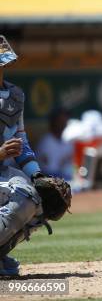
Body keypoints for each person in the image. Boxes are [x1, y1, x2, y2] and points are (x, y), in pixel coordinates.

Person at [0, 35, 71, 276]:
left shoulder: (15, 96)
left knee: (42, 199)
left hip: (3, 174)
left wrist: (36, 175)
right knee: (23, 196)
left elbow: (22, 142)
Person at [35, 108, 73, 180]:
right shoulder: (46, 142)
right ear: (53, 122)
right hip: (48, 179)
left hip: (64, 178)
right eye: (60, 121)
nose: (63, 124)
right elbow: (50, 170)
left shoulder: (67, 141)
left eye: (65, 121)